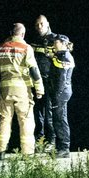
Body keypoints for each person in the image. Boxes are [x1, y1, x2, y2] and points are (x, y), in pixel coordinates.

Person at [0, 21, 43, 157]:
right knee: (26, 120)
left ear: (11, 33)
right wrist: (39, 89)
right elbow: (34, 70)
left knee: (5, 119)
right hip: (22, 91)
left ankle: (0, 151)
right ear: (23, 34)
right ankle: (27, 153)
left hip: (5, 91)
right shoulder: (26, 48)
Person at [30, 14, 76, 158]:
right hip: (40, 82)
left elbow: (62, 77)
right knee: (39, 112)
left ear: (47, 24)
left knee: (54, 116)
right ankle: (41, 140)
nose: (39, 27)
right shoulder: (35, 42)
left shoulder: (59, 45)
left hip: (54, 86)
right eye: (37, 24)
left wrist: (57, 93)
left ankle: (54, 142)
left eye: (42, 24)